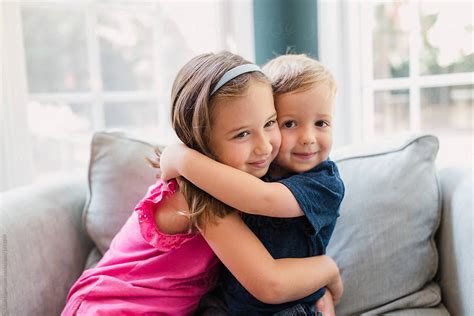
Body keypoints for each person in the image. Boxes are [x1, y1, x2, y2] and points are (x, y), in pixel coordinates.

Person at [61, 52, 342, 316]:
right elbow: (268, 282)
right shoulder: (197, 196)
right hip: (112, 307)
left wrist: (310, 291)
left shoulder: (250, 181)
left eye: (270, 123)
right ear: (202, 141)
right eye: (242, 134)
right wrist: (327, 270)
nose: (264, 146)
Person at [159, 53, 344, 315]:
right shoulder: (253, 171)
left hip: (287, 306)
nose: (308, 138)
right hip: (227, 303)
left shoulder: (324, 184)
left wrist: (181, 158)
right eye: (288, 124)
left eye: (321, 123)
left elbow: (262, 199)